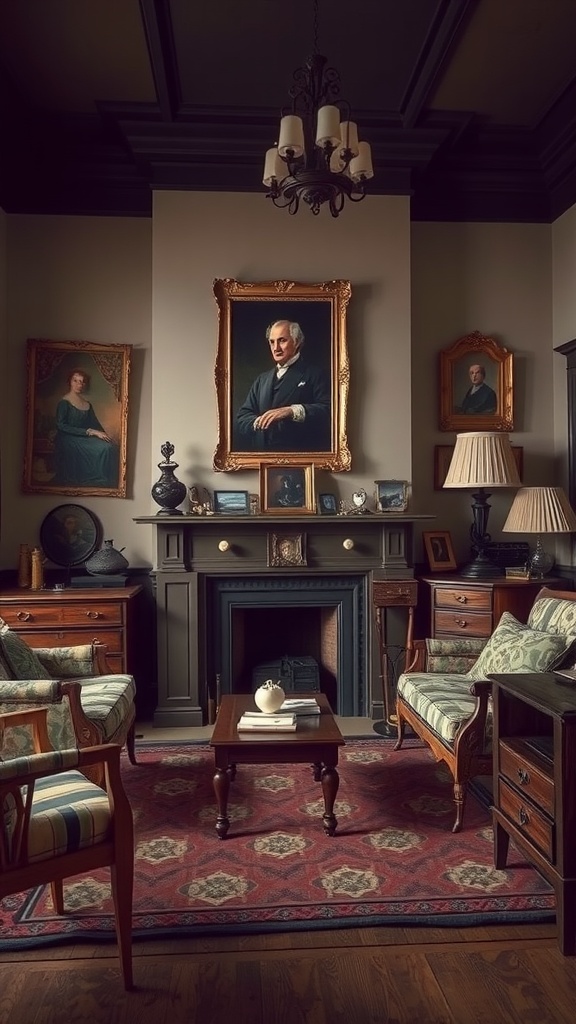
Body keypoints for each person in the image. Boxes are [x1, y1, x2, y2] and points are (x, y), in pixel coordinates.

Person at [235, 320, 331, 451]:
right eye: (272, 342)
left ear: (297, 342)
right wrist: (260, 422)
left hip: (299, 458)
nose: (276, 348)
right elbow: (243, 417)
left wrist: (290, 411)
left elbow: (328, 411)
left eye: (282, 341)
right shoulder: (262, 379)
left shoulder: (315, 374)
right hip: (262, 458)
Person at [52, 368, 119, 487]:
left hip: (84, 436)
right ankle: (96, 479)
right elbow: (61, 426)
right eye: (75, 380)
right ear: (70, 382)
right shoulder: (64, 402)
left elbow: (95, 424)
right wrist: (89, 431)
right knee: (102, 449)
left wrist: (104, 435)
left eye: (82, 381)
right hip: (67, 438)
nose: (79, 384)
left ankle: (105, 481)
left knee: (109, 446)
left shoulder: (87, 404)